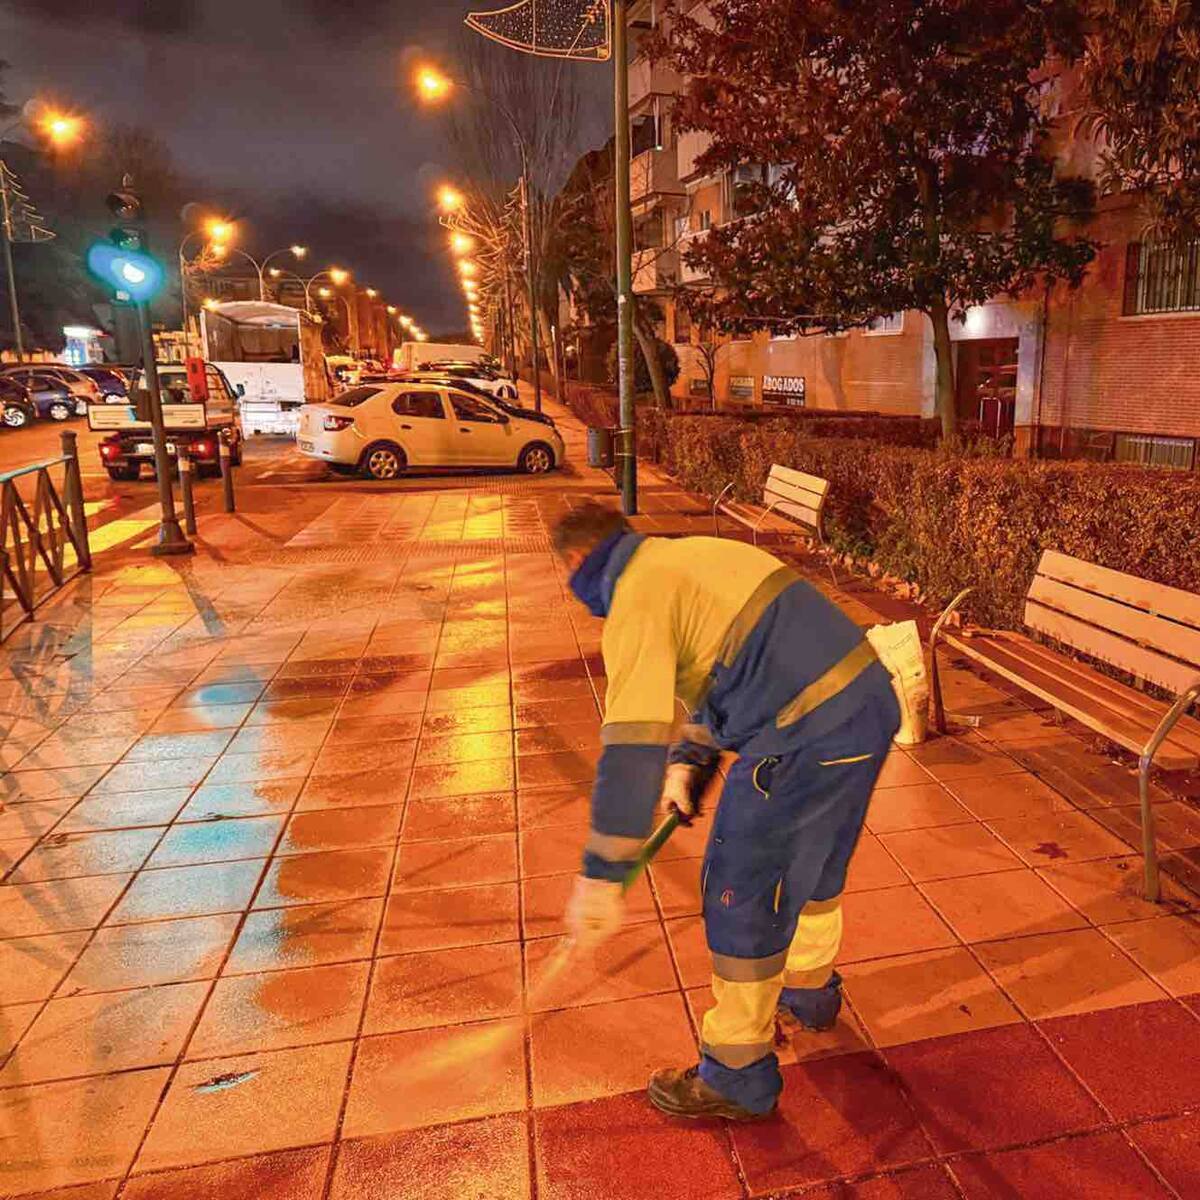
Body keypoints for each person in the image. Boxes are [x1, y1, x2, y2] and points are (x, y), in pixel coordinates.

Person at [557, 502, 900, 1121]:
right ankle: (811, 992)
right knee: (817, 870)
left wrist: (604, 876)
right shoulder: (687, 555)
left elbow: (630, 755)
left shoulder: (635, 599)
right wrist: (691, 758)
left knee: (742, 890)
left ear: (580, 561)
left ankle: (737, 1074)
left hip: (803, 736)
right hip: (867, 708)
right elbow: (723, 670)